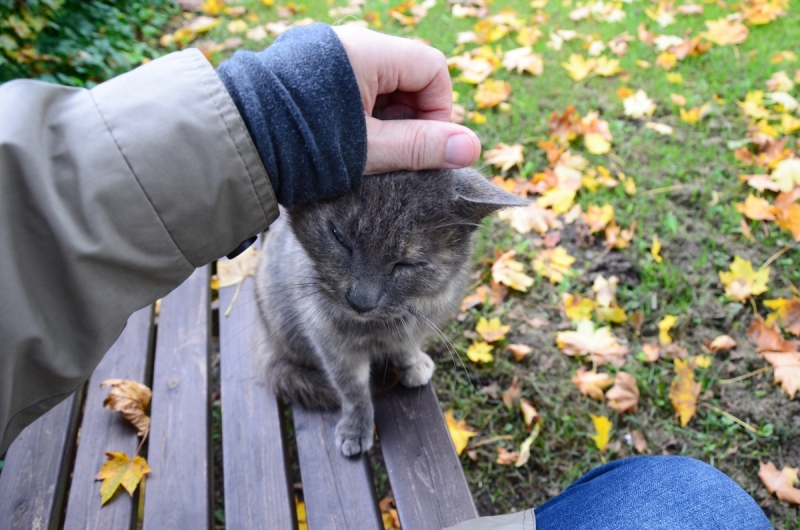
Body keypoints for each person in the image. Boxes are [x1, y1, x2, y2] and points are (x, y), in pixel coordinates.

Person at [0, 24, 771, 529]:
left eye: (402, 263)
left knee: (397, 334)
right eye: (336, 240)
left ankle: (397, 356)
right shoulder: (330, 250)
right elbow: (339, 305)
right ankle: (361, 394)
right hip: (306, 347)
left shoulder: (446, 224)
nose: (362, 289)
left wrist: (257, 113)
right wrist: (356, 409)